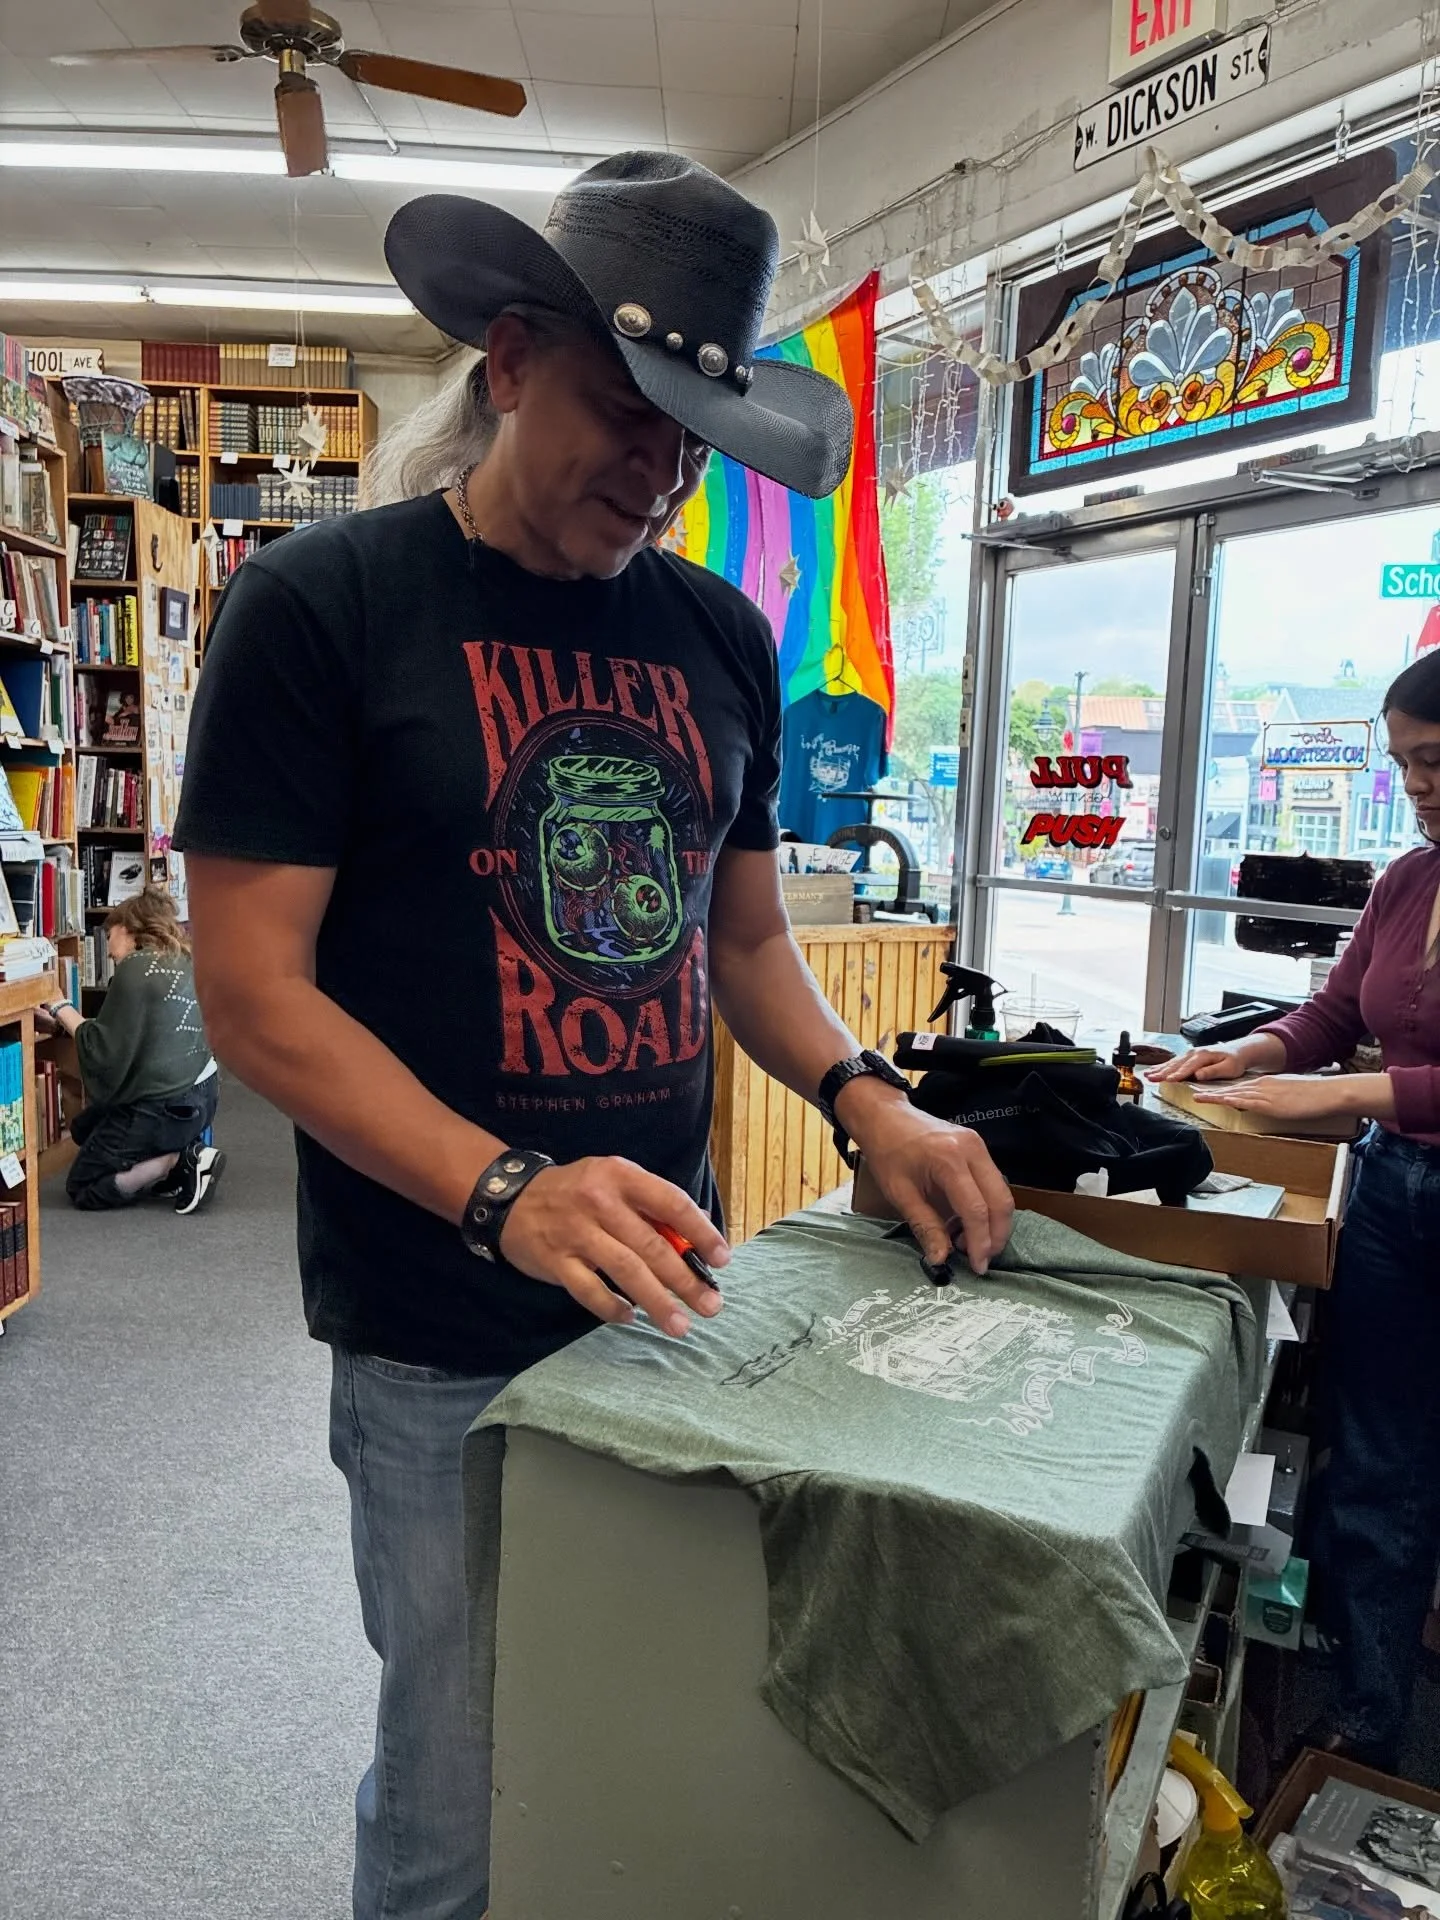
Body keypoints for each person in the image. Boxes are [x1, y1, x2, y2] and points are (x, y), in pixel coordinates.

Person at [172, 152, 1014, 1920]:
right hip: (437, 1319)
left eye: (695, 434)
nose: (658, 468)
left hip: (668, 1289)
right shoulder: (320, 611)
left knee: (640, 1725)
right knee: (462, 1784)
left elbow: (749, 940)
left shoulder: (716, 632)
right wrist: (504, 1195)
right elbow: (255, 991)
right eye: (629, 408)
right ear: (510, 357)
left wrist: (874, 1099)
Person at [1151, 644, 1440, 1772]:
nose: (1417, 785)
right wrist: (1242, 1059)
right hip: (1391, 1199)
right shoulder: (1408, 880)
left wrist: (1345, 1093)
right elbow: (1326, 1016)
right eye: (1404, 764)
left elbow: (1350, 1071)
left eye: (1434, 761)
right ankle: (1371, 1711)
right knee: (1376, 1454)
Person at [39, 887, 224, 1215]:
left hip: (167, 1106)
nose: (108, 950)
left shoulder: (136, 968)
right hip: (202, 1096)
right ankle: (175, 1150)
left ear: (126, 928)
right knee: (84, 1128)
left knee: (83, 1185)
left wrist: (58, 1004)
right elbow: (134, 1034)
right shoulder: (184, 957)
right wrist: (60, 1024)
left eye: (108, 935)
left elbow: (106, 1052)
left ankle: (178, 1159)